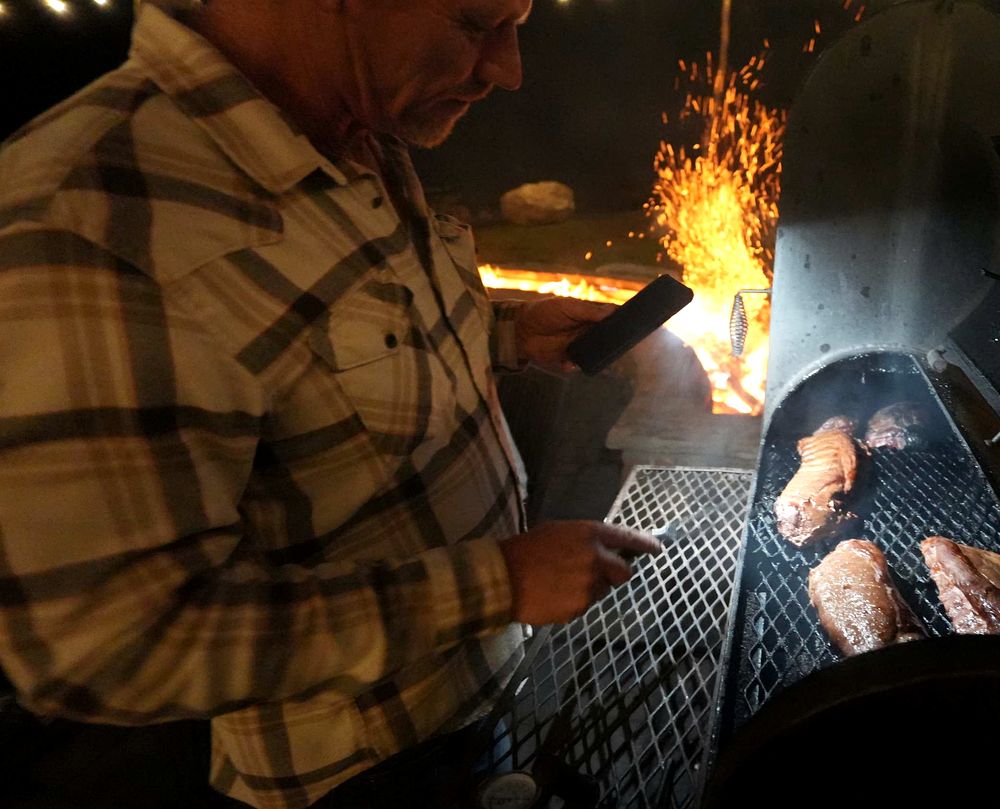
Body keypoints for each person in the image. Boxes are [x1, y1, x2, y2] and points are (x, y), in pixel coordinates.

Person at [0, 1, 661, 806]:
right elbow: (113, 645)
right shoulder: (88, 221)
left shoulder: (357, 126)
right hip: (364, 775)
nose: (507, 69)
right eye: (474, 21)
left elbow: (325, 333)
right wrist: (497, 583)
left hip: (485, 694)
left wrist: (506, 332)